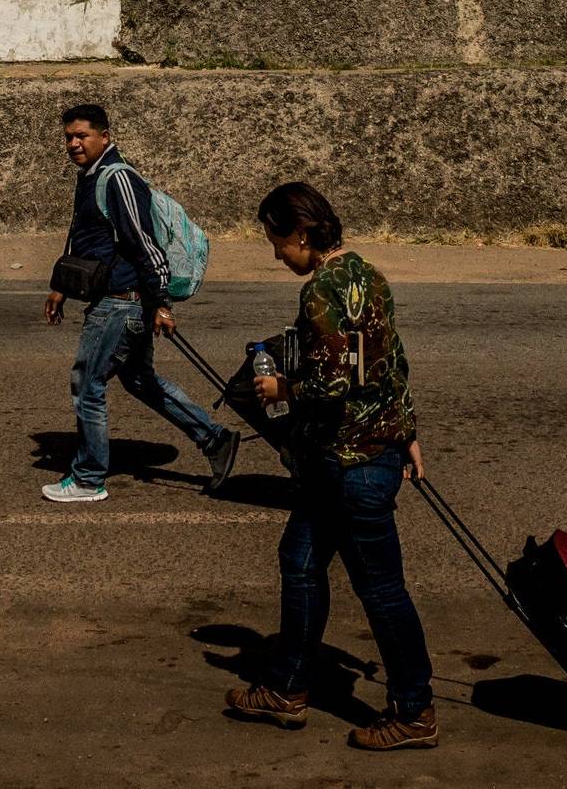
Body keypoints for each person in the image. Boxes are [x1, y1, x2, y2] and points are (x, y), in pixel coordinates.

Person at [225, 182, 437, 750]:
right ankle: (287, 687)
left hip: (352, 462)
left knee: (382, 590)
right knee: (299, 559)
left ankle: (414, 711)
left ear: (300, 233)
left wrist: (278, 385)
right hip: (362, 454)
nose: (275, 255)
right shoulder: (369, 275)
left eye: (276, 242)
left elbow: (333, 380)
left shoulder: (321, 290)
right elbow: (391, 363)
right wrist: (407, 431)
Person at [42, 103, 239, 503]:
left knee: (87, 385)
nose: (74, 143)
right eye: (69, 137)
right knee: (139, 380)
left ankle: (88, 478)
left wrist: (161, 303)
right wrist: (61, 284)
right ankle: (214, 438)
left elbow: (145, 245)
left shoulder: (119, 180)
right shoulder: (91, 177)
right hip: (119, 300)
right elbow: (85, 237)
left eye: (82, 136)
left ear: (105, 137)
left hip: (121, 303)